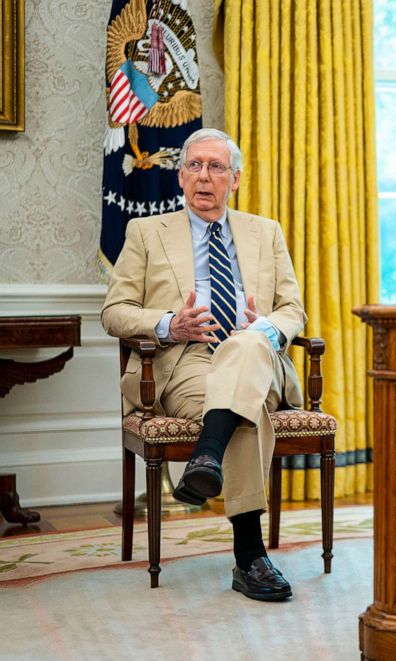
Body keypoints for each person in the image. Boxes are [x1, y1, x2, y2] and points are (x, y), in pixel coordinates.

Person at [102, 128, 305, 602]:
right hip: (185, 360)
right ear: (179, 176)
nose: (204, 176)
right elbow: (114, 311)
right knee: (244, 410)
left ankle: (206, 457)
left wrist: (266, 328)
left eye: (216, 167)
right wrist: (171, 323)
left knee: (249, 349)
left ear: (234, 178)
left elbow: (293, 310)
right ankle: (250, 558)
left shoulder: (265, 231)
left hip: (254, 354)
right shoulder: (145, 233)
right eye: (194, 166)